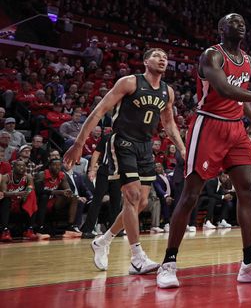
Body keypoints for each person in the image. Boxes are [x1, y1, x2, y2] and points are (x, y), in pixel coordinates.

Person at [155, 14, 251, 288]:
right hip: (209, 126)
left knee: (248, 190)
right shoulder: (211, 56)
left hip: (236, 129)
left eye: (243, 22)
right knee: (191, 194)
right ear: (221, 29)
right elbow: (225, 90)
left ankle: (250, 264)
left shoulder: (247, 61)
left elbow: (240, 93)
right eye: (234, 22)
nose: (241, 24)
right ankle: (168, 263)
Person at [64, 48, 185, 274]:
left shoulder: (167, 92)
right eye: (157, 55)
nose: (163, 59)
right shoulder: (129, 82)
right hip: (123, 142)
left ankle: (103, 241)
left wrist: (183, 149)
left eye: (165, 57)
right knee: (132, 196)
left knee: (142, 203)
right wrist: (79, 143)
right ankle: (137, 257)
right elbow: (99, 111)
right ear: (145, 60)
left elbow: (169, 125)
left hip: (146, 146)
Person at [0, 159, 41, 241]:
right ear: (13, 168)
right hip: (9, 203)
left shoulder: (28, 177)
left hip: (21, 203)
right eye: (18, 165)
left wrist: (26, 194)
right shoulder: (6, 177)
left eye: (23, 165)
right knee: (6, 199)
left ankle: (29, 230)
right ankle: (5, 231)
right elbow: (3, 193)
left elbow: (30, 188)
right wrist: (17, 194)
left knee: (32, 196)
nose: (21, 167)